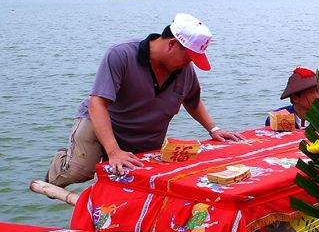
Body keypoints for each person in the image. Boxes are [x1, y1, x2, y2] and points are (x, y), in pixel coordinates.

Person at [45, 13, 242, 187]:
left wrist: (214, 129)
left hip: (144, 132)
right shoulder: (121, 55)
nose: (189, 63)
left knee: (144, 176)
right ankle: (62, 163)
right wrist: (113, 150)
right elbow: (98, 103)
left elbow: (192, 101)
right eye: (188, 57)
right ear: (172, 44)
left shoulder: (184, 70)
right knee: (80, 170)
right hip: (103, 121)